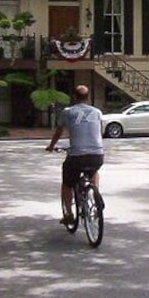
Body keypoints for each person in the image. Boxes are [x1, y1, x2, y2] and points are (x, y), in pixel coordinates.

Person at [46, 85, 104, 225]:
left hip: (77, 156)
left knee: (67, 183)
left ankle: (69, 215)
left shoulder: (68, 111)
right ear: (88, 97)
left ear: (74, 97)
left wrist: (51, 146)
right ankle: (95, 194)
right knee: (94, 171)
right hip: (97, 154)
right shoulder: (97, 112)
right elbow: (98, 131)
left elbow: (59, 131)